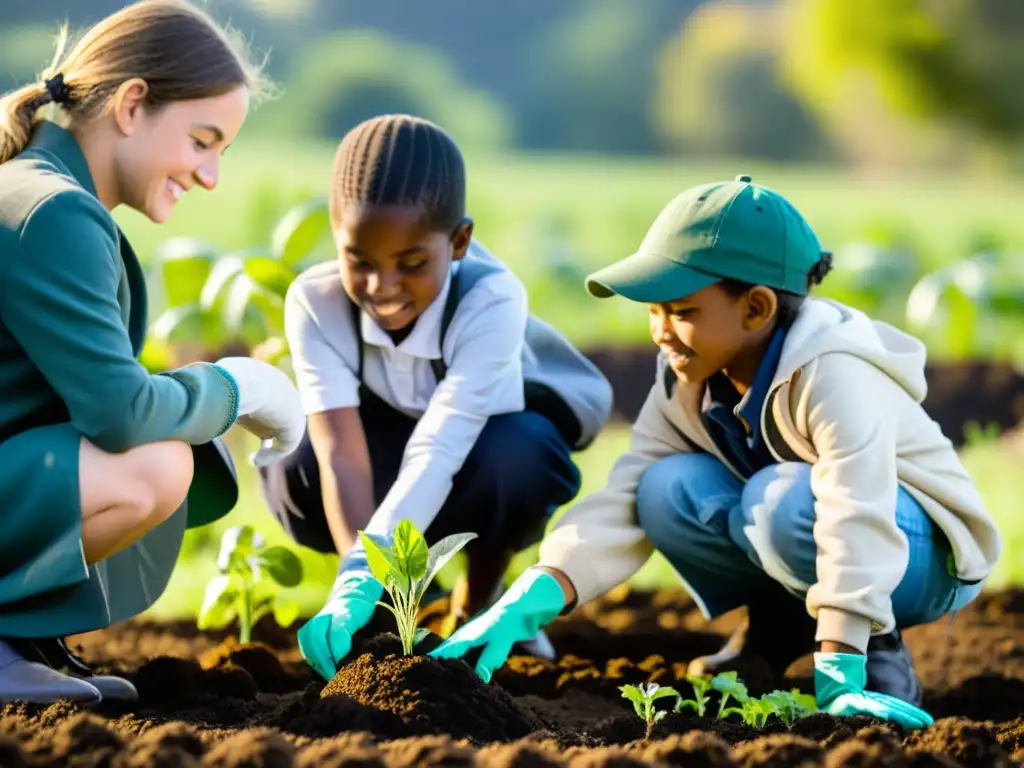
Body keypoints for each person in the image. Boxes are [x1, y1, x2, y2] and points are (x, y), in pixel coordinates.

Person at [430, 174, 1002, 730]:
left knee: (780, 500)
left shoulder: (833, 373)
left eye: (681, 312)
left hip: (923, 553)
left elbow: (858, 510)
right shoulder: (690, 380)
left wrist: (838, 671)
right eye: (652, 312)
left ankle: (875, 654)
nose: (660, 331)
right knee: (665, 490)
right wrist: (529, 598)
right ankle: (777, 630)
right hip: (819, 526)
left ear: (755, 309)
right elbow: (625, 499)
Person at [0, 0, 305, 705]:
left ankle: (20, 641)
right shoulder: (55, 212)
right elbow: (118, 413)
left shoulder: (38, 190)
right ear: (133, 105)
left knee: (171, 450)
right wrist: (239, 387)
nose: (209, 176)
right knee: (156, 461)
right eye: (202, 141)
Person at [258, 114, 614, 682]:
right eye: (360, 261)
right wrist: (362, 583)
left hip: (474, 447)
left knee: (521, 456)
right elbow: (339, 453)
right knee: (295, 458)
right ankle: (387, 611)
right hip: (378, 453)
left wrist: (371, 565)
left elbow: (440, 447)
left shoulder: (490, 301)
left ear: (459, 242)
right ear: (336, 237)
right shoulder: (315, 303)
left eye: (412, 264)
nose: (383, 287)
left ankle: (479, 598)